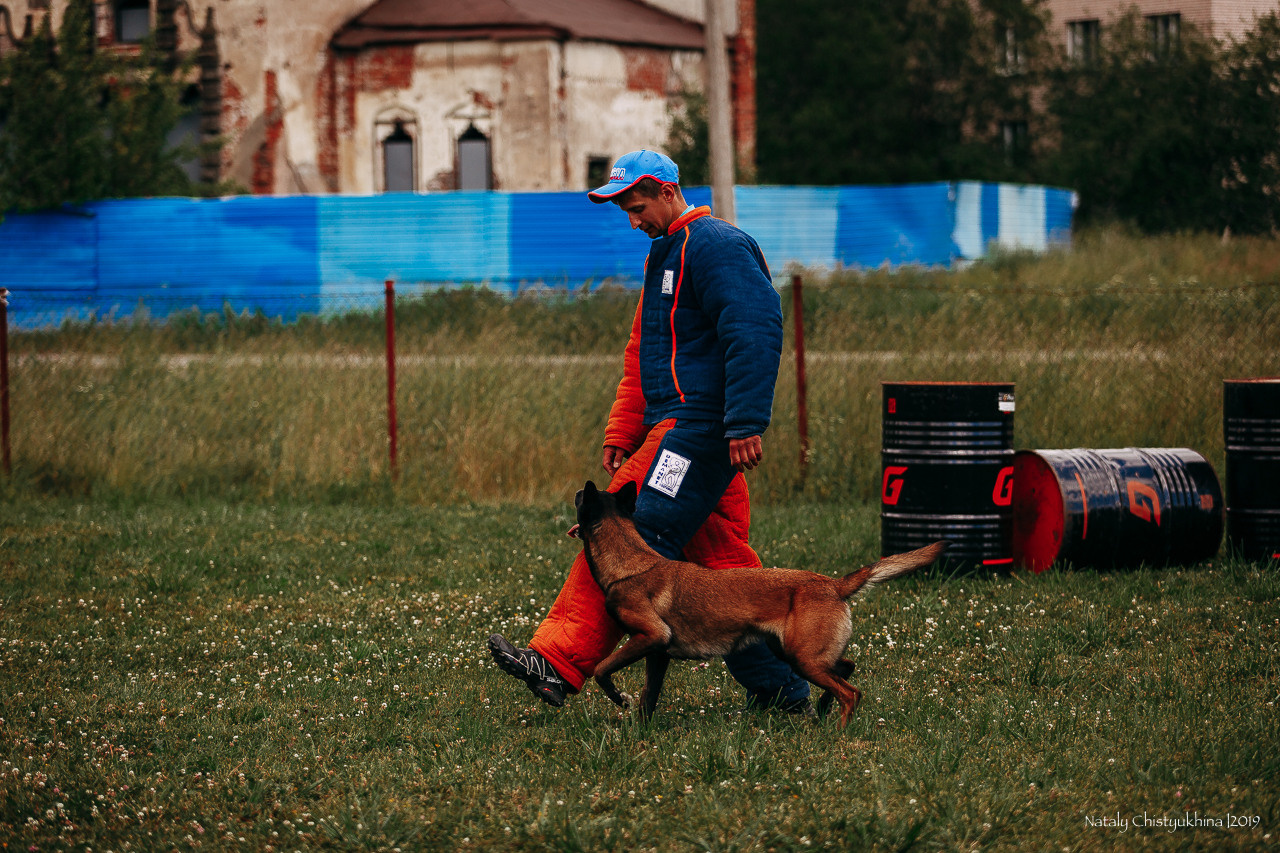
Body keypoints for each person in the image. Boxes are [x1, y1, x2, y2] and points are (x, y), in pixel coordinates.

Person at [488, 149, 810, 714]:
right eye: (625, 213)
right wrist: (623, 430)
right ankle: (784, 691)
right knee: (725, 571)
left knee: (619, 532)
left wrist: (744, 421)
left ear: (667, 191)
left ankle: (556, 663)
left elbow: (755, 330)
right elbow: (645, 353)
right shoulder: (665, 254)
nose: (633, 222)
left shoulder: (716, 245)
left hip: (699, 430)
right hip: (674, 426)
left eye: (638, 209)